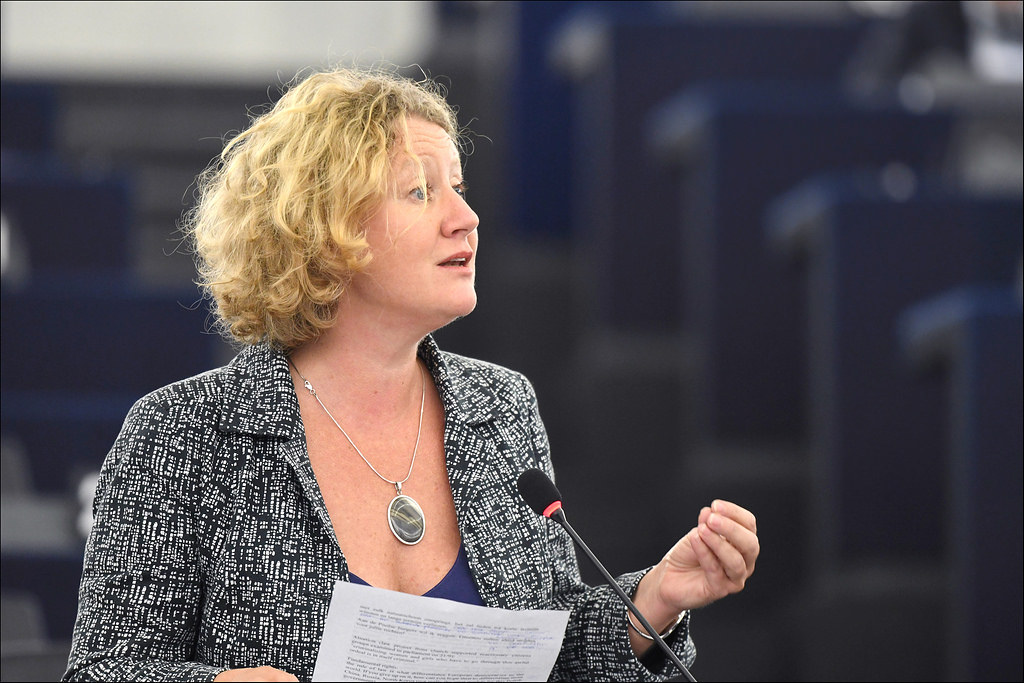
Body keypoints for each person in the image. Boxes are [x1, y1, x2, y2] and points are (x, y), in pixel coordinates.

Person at [63, 65, 759, 682]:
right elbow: (104, 669)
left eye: (459, 187)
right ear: (323, 227)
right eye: (421, 192)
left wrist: (654, 600)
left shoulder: (499, 408)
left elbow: (554, 649)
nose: (467, 218)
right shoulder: (184, 433)